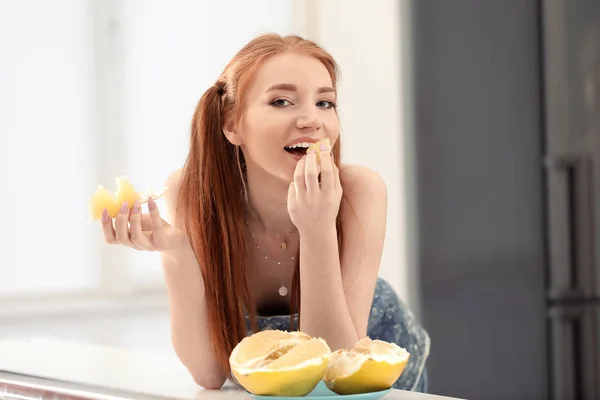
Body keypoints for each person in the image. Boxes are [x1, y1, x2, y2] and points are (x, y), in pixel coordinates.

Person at [100, 33, 430, 392]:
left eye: (325, 103)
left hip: (377, 387)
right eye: (282, 101)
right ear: (232, 124)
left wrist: (317, 228)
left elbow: (336, 369)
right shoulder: (192, 193)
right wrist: (176, 250)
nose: (311, 120)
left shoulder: (359, 191)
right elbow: (209, 374)